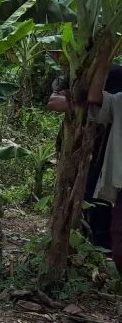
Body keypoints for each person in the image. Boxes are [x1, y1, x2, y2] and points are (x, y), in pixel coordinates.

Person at [49, 55, 122, 279]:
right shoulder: (118, 100)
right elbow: (90, 98)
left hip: (101, 152)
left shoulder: (119, 80)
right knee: (116, 234)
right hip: (99, 161)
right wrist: (103, 56)